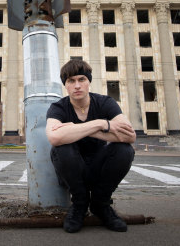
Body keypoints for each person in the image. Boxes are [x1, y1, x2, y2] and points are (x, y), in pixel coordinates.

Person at [46, 59, 136, 233]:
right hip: (72, 170)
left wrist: (75, 128)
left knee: (124, 149)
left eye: (82, 79)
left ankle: (101, 204)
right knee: (62, 147)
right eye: (71, 81)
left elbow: (129, 135)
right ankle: (79, 204)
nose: (77, 85)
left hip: (98, 168)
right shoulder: (58, 107)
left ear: (89, 82)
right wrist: (101, 125)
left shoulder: (105, 103)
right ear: (65, 85)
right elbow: (54, 138)